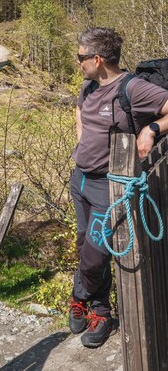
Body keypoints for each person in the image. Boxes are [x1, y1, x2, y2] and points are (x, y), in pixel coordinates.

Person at [69, 27, 168, 348]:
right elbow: (79, 110)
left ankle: (79, 294)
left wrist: (151, 129)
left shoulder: (133, 89)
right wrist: (81, 141)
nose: (78, 62)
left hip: (106, 188)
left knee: (95, 255)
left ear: (97, 59)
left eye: (81, 57)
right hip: (80, 180)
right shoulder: (88, 86)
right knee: (86, 245)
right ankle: (100, 311)